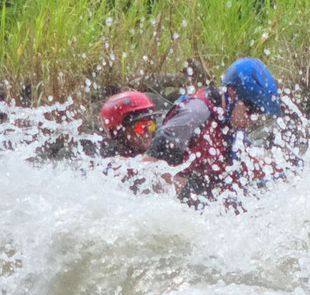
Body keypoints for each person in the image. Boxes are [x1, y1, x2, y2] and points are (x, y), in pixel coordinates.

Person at [144, 57, 283, 206]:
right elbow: (147, 166)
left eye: (259, 112)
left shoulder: (231, 121)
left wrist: (281, 167)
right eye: (251, 109)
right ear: (231, 93)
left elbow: (245, 162)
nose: (254, 119)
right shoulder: (195, 114)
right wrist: (186, 190)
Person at [98, 90, 158, 157]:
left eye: (150, 124)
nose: (147, 131)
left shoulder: (155, 152)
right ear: (118, 132)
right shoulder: (113, 160)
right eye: (140, 126)